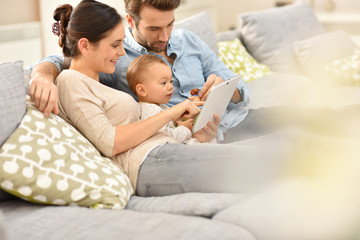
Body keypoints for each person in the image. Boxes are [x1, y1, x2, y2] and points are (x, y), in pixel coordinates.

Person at [51, 0, 293, 197]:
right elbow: (109, 142)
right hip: (149, 159)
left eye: (170, 25)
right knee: (277, 157)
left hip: (176, 143)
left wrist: (194, 133)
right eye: (115, 44)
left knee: (292, 138)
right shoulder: (75, 79)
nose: (122, 51)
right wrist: (174, 112)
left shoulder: (96, 77)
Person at [28, 0, 250, 142]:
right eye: (154, 28)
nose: (164, 36)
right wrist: (42, 76)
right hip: (202, 137)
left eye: (170, 25)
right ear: (131, 21)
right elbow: (65, 58)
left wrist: (226, 88)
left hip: (236, 119)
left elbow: (241, 89)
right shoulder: (114, 57)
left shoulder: (187, 39)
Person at [126, 54, 199, 144]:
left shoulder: (159, 106)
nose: (170, 87)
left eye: (171, 81)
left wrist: (178, 122)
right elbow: (164, 137)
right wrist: (185, 129)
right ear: (142, 90)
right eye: (163, 82)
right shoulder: (150, 110)